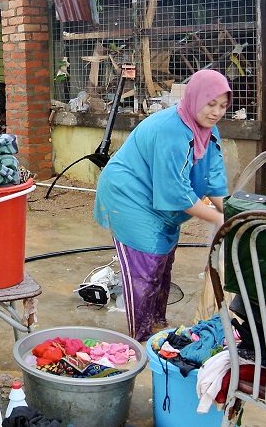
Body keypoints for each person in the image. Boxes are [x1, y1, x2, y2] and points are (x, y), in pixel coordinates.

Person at [94, 69, 231, 342]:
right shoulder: (172, 130)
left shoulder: (206, 128)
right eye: (211, 104)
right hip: (129, 196)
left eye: (223, 106)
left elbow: (213, 175)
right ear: (194, 98)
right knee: (146, 266)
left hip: (158, 200)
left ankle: (157, 323)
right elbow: (177, 193)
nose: (216, 112)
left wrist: (228, 212)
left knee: (163, 262)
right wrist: (218, 220)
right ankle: (141, 338)